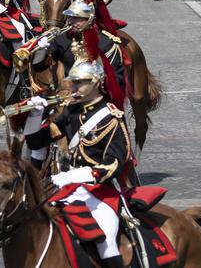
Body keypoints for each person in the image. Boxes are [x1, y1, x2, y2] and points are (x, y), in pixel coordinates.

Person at [30, 59, 132, 268]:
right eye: (73, 82)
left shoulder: (111, 118)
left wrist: (76, 175)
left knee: (106, 240)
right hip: (69, 188)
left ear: (96, 82)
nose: (73, 87)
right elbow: (37, 141)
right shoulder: (71, 112)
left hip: (101, 193)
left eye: (79, 82)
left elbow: (114, 165)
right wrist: (35, 115)